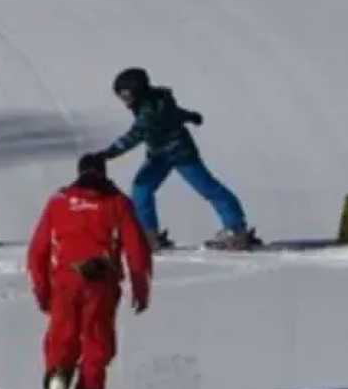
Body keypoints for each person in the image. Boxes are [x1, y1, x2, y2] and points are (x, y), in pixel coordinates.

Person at [27, 154, 153, 389]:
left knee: (62, 337)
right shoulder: (117, 203)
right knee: (97, 347)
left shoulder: (59, 201)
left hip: (64, 282)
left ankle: (58, 376)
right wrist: (141, 287)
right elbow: (137, 250)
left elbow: (37, 250)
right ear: (104, 173)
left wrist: (41, 289)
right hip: (101, 285)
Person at [79, 67, 256, 251]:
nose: (125, 101)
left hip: (180, 154)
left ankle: (236, 230)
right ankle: (148, 234)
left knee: (208, 188)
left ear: (137, 91)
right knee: (142, 188)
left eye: (126, 96)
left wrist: (107, 154)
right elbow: (174, 112)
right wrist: (189, 116)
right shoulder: (157, 99)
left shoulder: (149, 110)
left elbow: (135, 135)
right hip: (159, 155)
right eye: (121, 97)